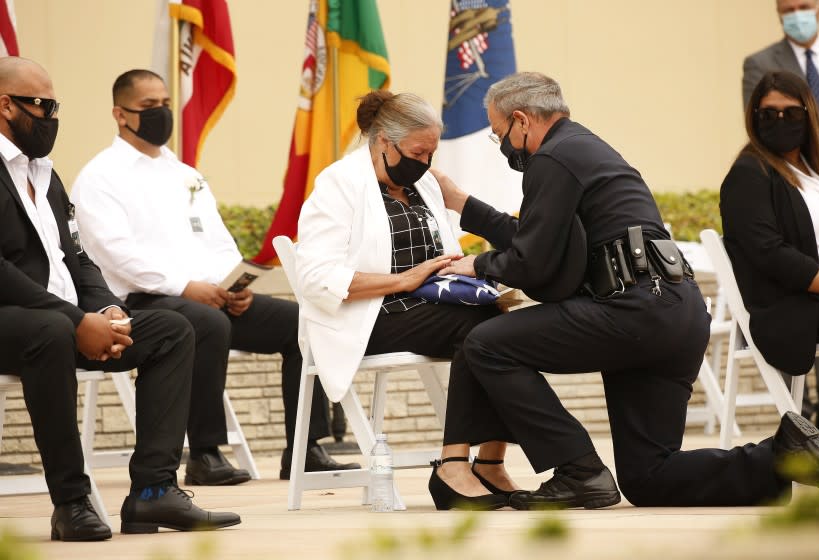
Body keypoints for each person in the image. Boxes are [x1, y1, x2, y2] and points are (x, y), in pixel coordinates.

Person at [428, 71, 819, 510]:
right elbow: (540, 237)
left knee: (486, 345)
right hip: (676, 314)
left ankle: (578, 470)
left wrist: (478, 264)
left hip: (633, 309)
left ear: (521, 120)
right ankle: (783, 456)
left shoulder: (552, 159)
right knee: (650, 476)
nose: (503, 145)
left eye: (499, 134)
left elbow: (534, 262)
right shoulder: (586, 151)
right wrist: (463, 205)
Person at [70, 69, 358, 484]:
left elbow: (218, 239)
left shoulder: (185, 174)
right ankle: (204, 454)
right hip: (144, 301)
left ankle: (305, 450)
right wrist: (186, 287)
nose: (162, 114)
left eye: (166, 105)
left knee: (302, 324)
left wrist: (232, 285)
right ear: (120, 114)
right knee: (206, 322)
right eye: (149, 107)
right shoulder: (100, 177)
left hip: (210, 295)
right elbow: (115, 255)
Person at [0, 57, 240, 540]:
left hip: (65, 318)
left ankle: (153, 493)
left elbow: (78, 258)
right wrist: (74, 320)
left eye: (54, 106)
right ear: (6, 105)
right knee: (48, 332)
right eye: (43, 106)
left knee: (173, 329)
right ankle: (71, 502)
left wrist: (108, 310)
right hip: (22, 321)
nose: (51, 117)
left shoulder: (45, 174)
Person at [296, 91, 507, 509]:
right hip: (368, 315)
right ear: (382, 142)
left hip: (430, 306)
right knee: (483, 332)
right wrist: (403, 280)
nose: (425, 163)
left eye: (431, 153)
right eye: (417, 152)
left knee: (505, 327)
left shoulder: (423, 183)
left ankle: (489, 461)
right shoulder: (339, 184)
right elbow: (316, 278)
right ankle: (453, 465)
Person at [742, 0, 819, 430]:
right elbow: (772, 254)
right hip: (794, 308)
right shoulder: (749, 174)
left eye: (791, 114)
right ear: (754, 117)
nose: (780, 121)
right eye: (769, 114)